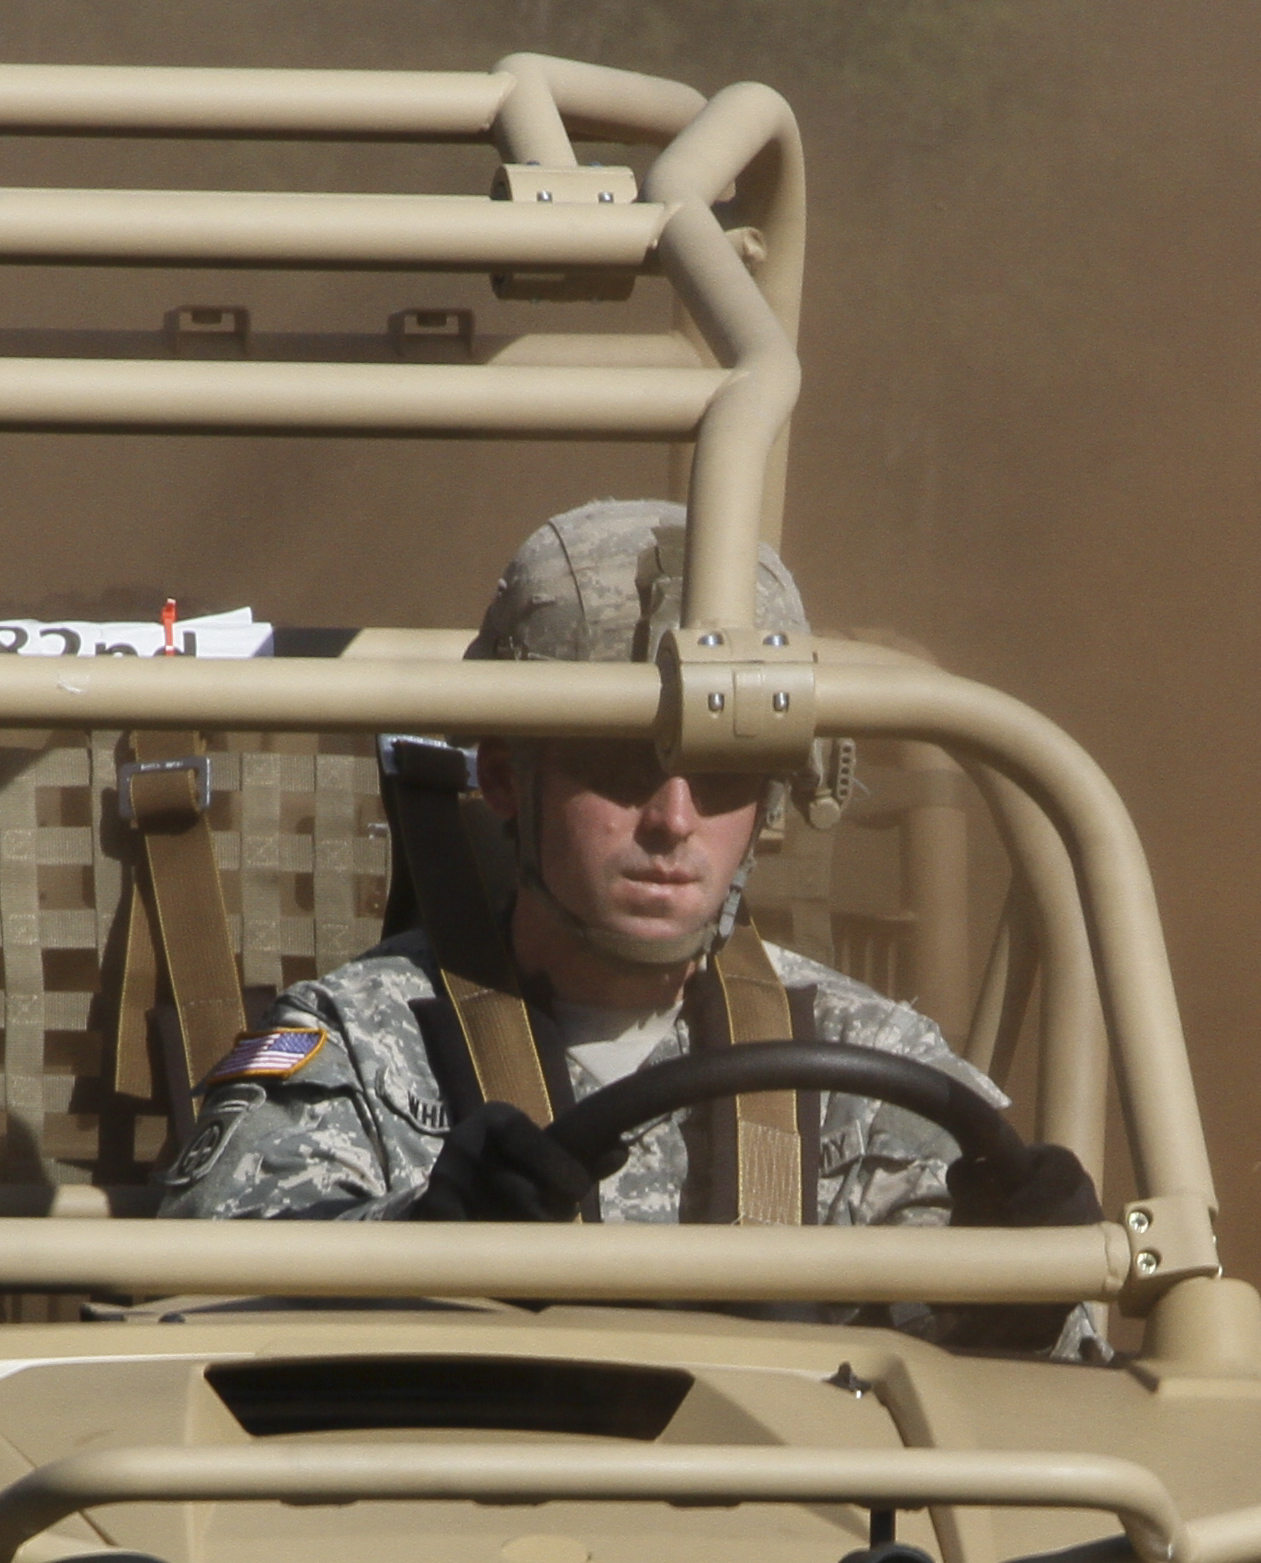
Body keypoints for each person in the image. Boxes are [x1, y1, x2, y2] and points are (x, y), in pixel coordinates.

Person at [159, 500, 1102, 1256]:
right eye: (619, 767)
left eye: (725, 777)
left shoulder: (876, 1073)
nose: (674, 820)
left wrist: (1028, 1289)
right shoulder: (353, 1046)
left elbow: (1005, 1389)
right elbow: (201, 1297)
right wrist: (423, 1249)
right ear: (500, 776)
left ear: (772, 804)